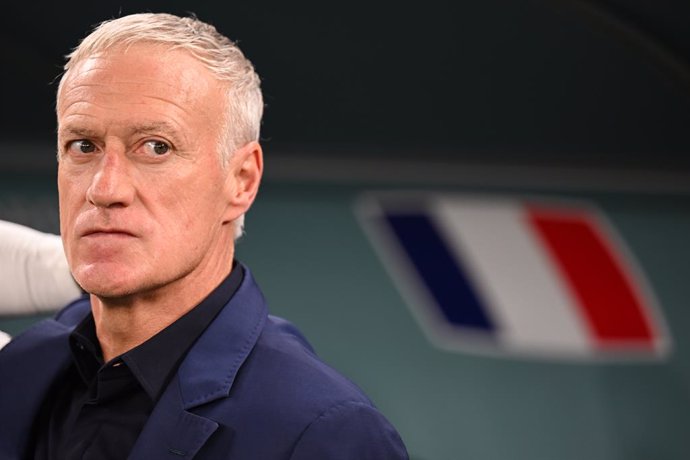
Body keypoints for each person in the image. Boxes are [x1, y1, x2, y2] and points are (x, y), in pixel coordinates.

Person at [0, 13, 408, 459]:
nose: (104, 189)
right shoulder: (19, 373)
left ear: (242, 180)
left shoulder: (323, 435)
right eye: (83, 146)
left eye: (156, 147)